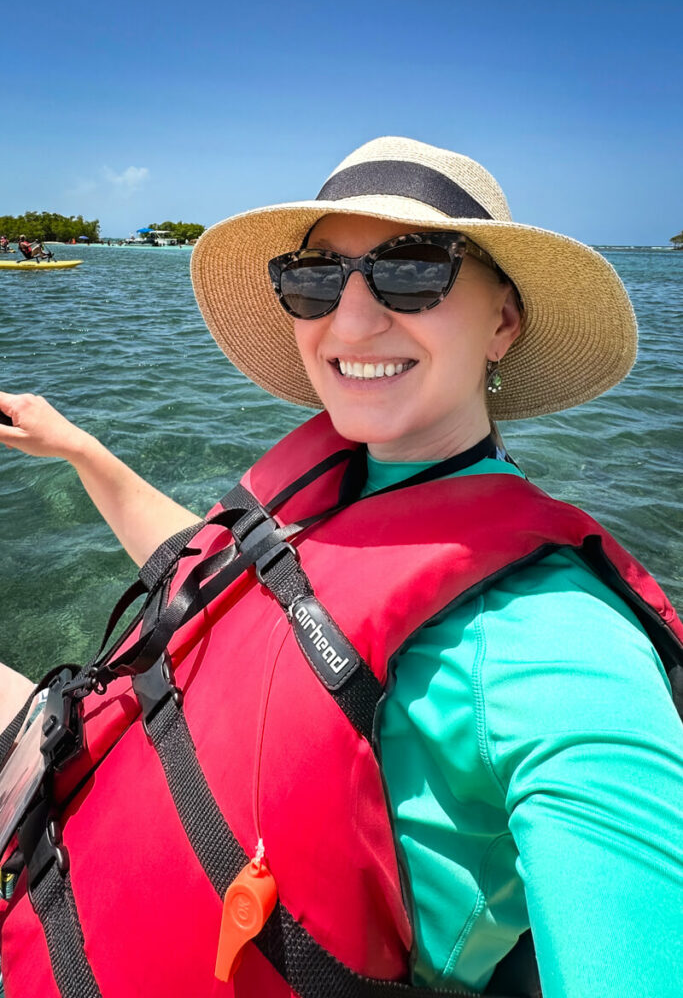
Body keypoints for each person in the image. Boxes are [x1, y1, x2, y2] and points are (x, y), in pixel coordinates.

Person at [0, 136, 681, 998]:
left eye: (413, 272)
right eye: (318, 278)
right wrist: (80, 452)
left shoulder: (549, 642)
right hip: (70, 839)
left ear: (503, 321)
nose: (350, 323)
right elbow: (220, 582)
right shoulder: (341, 488)